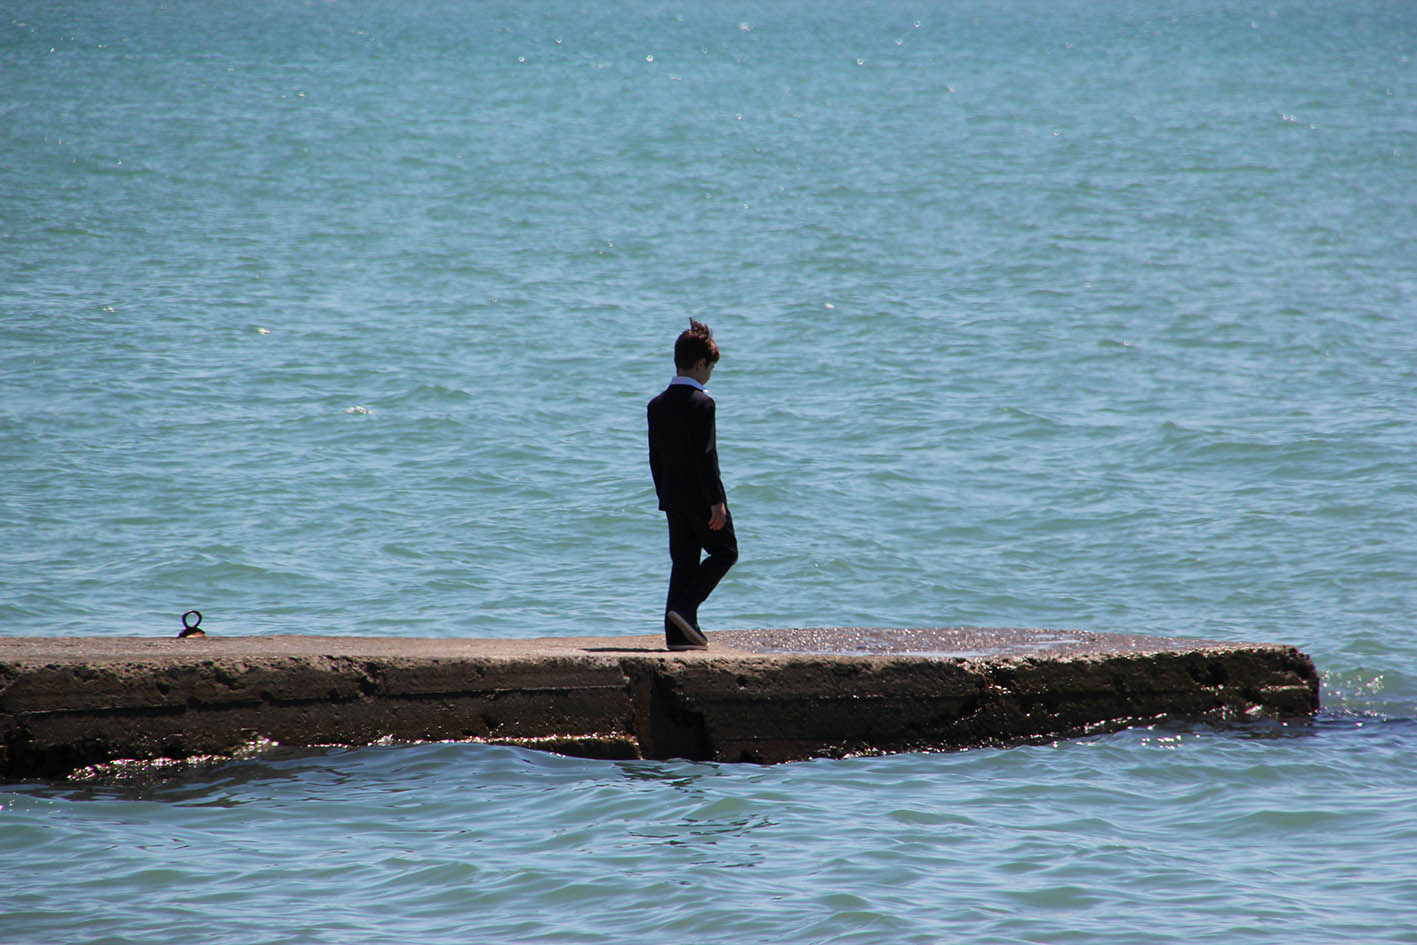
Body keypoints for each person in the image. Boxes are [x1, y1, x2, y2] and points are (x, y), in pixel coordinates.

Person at [647, 319, 738, 651]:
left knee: (684, 562)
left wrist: (665, 496)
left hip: (672, 497)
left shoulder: (657, 405)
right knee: (726, 551)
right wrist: (716, 502)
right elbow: (706, 457)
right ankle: (685, 609)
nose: (710, 374)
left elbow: (655, 458)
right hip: (701, 498)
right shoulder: (703, 404)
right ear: (701, 364)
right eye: (710, 368)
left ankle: (677, 636)